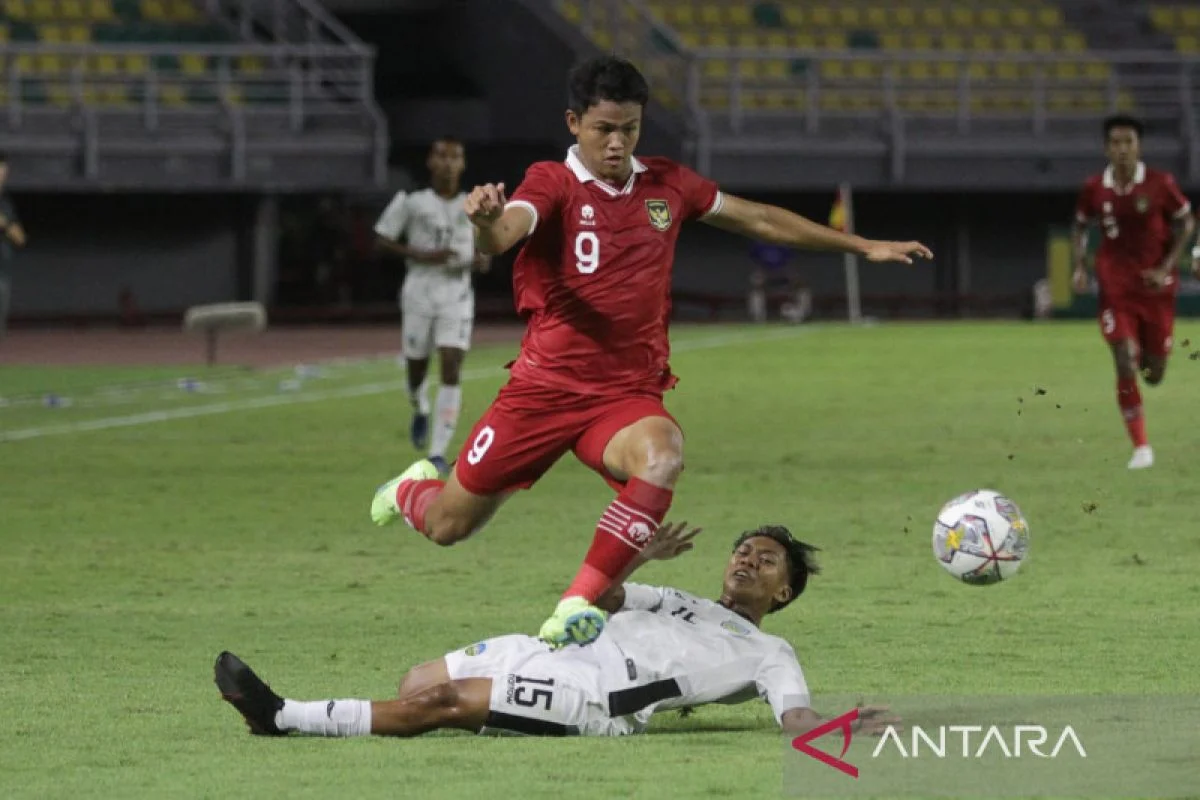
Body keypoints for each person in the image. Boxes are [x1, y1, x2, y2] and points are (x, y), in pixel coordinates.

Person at [370, 56, 932, 648]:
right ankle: (412, 487)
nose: (616, 144)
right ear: (573, 123)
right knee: (447, 526)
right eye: (603, 129)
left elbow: (759, 218)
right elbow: (508, 231)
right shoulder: (553, 182)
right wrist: (484, 225)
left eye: (630, 129)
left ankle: (574, 604)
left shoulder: (668, 185)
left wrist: (861, 246)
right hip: (542, 392)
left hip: (624, 396)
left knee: (662, 456)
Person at [215, 522, 898, 739]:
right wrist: (639, 556)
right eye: (743, 550)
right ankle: (337, 716)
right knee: (417, 683)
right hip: (551, 650)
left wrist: (846, 725)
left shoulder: (770, 650)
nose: (748, 559)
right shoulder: (674, 599)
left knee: (439, 706)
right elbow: (597, 593)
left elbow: (795, 716)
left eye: (766, 559)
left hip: (598, 699)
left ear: (783, 592)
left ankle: (282, 717)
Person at [1072, 114, 1196, 470]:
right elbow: (1080, 225)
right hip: (1115, 288)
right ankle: (1141, 447)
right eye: (1115, 142)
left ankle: (1147, 357)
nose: (1122, 149)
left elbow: (1186, 221)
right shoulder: (1095, 188)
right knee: (1125, 359)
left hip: (1156, 290)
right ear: (1106, 147)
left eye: (1128, 142)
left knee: (1153, 373)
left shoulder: (1160, 184)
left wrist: (1167, 266)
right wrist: (1080, 266)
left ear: (1139, 146)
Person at [375, 137, 489, 473]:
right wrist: (422, 255)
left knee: (451, 365)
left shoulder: (474, 204)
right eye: (442, 156)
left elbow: (486, 246)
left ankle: (438, 451)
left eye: (456, 157)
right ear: (430, 162)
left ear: (463, 164)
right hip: (419, 291)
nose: (449, 163)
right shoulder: (412, 202)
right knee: (416, 369)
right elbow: (382, 238)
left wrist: (481, 259)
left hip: (457, 294)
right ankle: (419, 405)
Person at [0, 153, 27, 340]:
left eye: (3, 171)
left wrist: (5, 224)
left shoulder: (6, 204)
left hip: (2, 272)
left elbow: (20, 238)